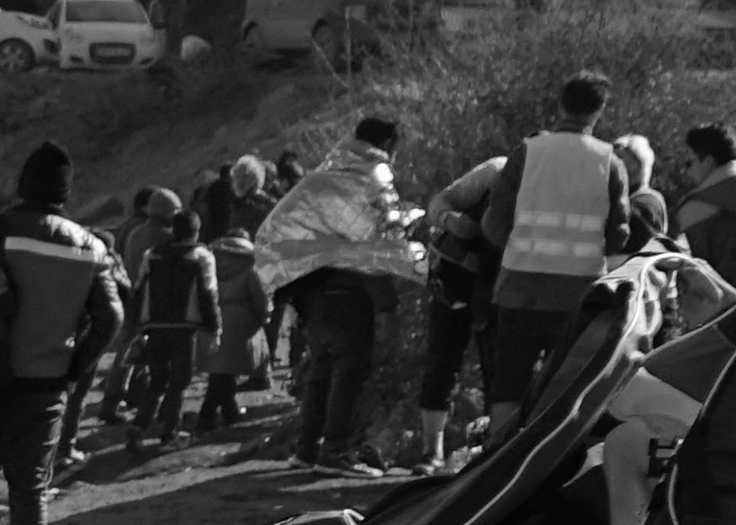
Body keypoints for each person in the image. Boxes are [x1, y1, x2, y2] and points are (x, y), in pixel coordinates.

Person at [0, 141, 122, 525]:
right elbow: (111, 319)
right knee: (30, 493)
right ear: (66, 193)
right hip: (45, 388)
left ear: (22, 185)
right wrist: (74, 368)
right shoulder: (90, 247)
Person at [259, 117, 417, 473]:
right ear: (390, 143)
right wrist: (387, 305)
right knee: (350, 369)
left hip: (310, 287)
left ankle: (306, 448)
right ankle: (336, 451)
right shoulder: (372, 178)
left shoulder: (327, 171)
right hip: (348, 289)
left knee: (322, 366)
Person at [481, 73, 631, 441]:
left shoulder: (528, 152)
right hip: (580, 294)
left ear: (560, 105)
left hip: (521, 286)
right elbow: (619, 234)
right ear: (600, 111)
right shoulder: (610, 161)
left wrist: (519, 246)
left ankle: (495, 461)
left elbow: (494, 222)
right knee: (567, 383)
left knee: (509, 380)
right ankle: (551, 459)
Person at [416, 154, 506, 469]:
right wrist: (451, 221)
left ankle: (496, 450)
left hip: (497, 283)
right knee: (442, 358)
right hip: (456, 276)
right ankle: (432, 452)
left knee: (496, 364)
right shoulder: (496, 171)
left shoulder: (552, 185)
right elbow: (441, 201)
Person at [129, 208, 219, 450]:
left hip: (155, 326)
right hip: (185, 327)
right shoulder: (201, 255)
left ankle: (137, 428)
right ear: (196, 231)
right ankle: (169, 433)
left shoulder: (153, 254)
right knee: (179, 381)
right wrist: (214, 327)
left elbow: (138, 290)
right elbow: (208, 294)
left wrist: (138, 324)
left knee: (157, 379)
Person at [99, 187, 182, 423]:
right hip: (154, 304)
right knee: (147, 357)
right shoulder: (164, 237)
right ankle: (142, 406)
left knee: (126, 355)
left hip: (132, 298)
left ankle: (113, 402)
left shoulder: (136, 232)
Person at [56, 229, 128, 468]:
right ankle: (66, 447)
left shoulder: (64, 264)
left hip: (58, 336)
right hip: (88, 337)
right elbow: (126, 294)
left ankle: (51, 446)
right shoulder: (103, 269)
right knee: (77, 395)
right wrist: (116, 266)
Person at [674, 123, 736, 292]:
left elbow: (694, 277)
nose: (686, 172)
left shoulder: (695, 208)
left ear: (709, 161)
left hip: (730, 305)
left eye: (689, 163)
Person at [196, 223, 267, 429]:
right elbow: (259, 297)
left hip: (213, 317)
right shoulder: (249, 269)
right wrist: (262, 317)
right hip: (241, 319)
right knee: (226, 372)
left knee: (220, 371)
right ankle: (208, 415)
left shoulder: (210, 263)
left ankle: (229, 412)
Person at [617, 135, 669, 251]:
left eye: (620, 159)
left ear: (638, 164)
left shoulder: (646, 203)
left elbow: (636, 246)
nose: (614, 165)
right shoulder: (629, 199)